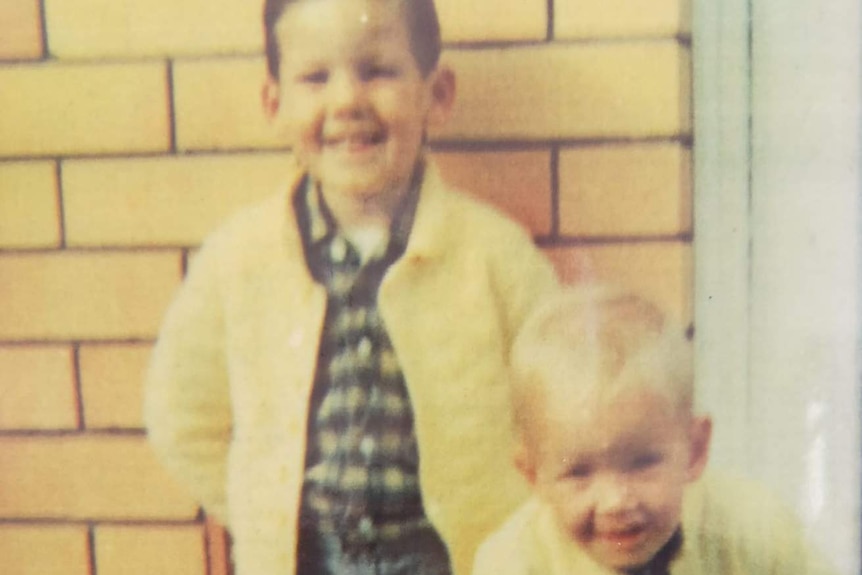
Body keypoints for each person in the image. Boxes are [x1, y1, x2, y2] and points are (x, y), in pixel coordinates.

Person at [143, 1, 558, 574]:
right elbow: (179, 413)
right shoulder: (238, 260)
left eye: (378, 71)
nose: (346, 102)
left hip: (452, 558)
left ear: (436, 95)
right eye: (315, 77)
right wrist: (265, 512)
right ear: (274, 102)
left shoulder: (495, 255)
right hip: (303, 557)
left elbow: (562, 410)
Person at [473, 287, 837, 575]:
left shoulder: (756, 532)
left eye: (642, 463)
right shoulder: (511, 563)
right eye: (579, 473)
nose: (616, 501)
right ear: (533, 474)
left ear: (694, 449)